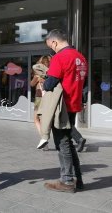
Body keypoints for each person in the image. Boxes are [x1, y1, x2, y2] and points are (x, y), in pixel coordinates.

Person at [42, 29, 87, 192]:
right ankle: (78, 179)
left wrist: (44, 83)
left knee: (62, 143)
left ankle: (67, 181)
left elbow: (50, 83)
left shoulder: (60, 57)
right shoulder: (80, 57)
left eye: (50, 46)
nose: (51, 49)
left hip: (62, 106)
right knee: (68, 142)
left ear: (54, 42)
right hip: (74, 104)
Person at [30, 56, 51, 150]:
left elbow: (31, 84)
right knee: (44, 119)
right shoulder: (51, 73)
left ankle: (44, 139)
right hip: (49, 97)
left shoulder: (38, 74)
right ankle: (44, 139)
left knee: (36, 119)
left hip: (39, 97)